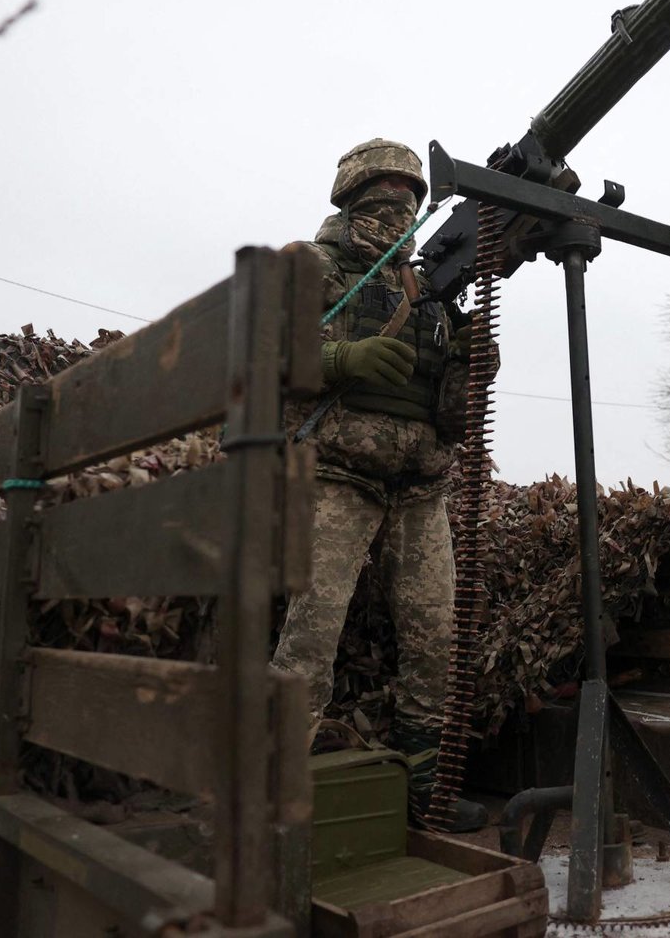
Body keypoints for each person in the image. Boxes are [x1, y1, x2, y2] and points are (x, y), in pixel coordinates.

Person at [274, 138, 488, 832]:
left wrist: (468, 357)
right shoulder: (314, 265)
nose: (398, 204)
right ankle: (276, 784)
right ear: (355, 193)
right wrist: (343, 359)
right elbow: (266, 351)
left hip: (420, 484)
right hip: (337, 474)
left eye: (410, 192)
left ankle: (424, 785)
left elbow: (452, 406)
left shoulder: (424, 284)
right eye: (387, 190)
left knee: (434, 636)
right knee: (313, 628)